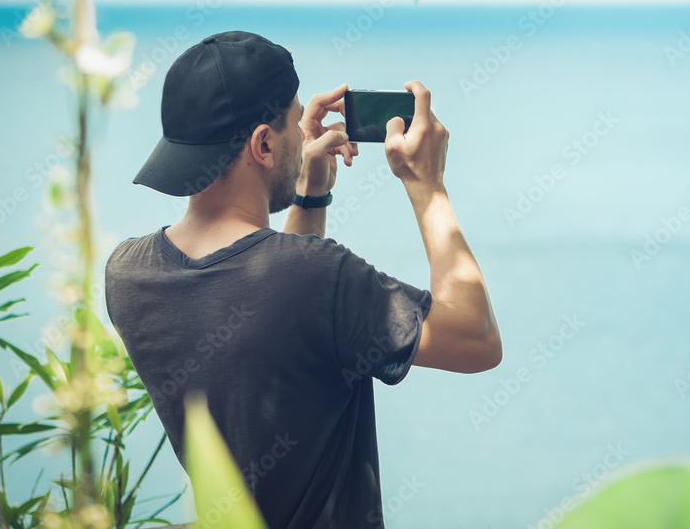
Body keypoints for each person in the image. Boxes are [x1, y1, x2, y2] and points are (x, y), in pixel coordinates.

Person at [103, 30, 501, 529]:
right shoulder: (319, 276)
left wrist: (309, 195)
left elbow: (270, 305)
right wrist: (427, 184)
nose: (302, 134)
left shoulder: (127, 274)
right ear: (263, 144)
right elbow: (476, 340)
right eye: (294, 123)